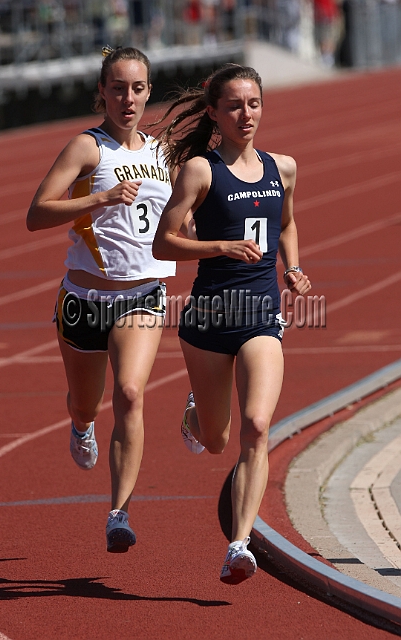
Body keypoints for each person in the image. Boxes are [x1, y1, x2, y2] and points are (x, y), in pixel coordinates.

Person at [152, 63, 311, 584]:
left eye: (254, 104)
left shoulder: (281, 167)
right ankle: (194, 415)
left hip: (262, 315)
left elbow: (285, 221)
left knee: (257, 427)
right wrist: (219, 246)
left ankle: (239, 544)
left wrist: (292, 268)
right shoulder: (200, 170)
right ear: (215, 113)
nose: (247, 114)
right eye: (235, 105)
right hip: (208, 319)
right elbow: (163, 242)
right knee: (216, 440)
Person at [27, 46, 185, 554]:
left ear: (148, 92)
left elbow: (178, 220)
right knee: (86, 400)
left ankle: (119, 512)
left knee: (132, 394)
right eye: (118, 88)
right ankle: (80, 423)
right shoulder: (87, 148)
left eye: (138, 88)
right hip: (84, 299)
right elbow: (37, 214)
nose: (128, 98)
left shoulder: (164, 153)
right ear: (102, 92)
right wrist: (99, 196)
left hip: (143, 294)